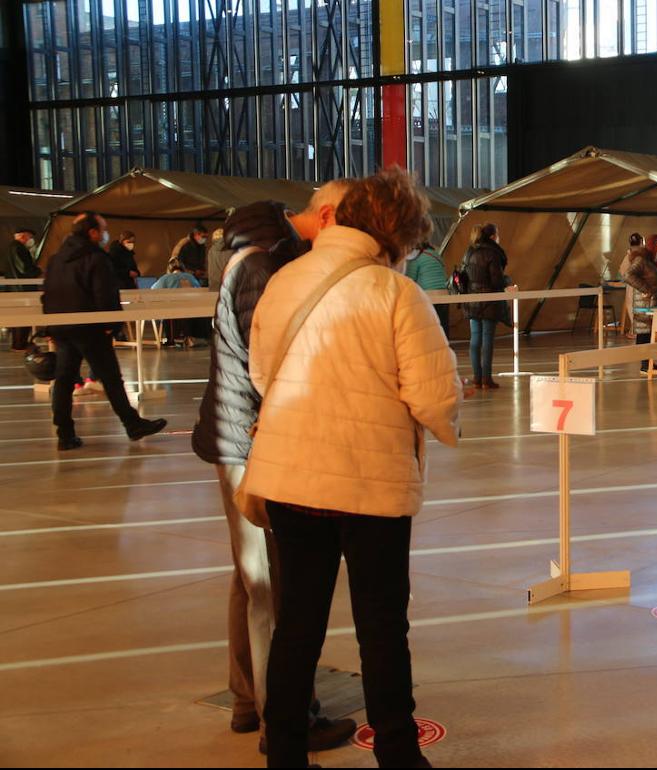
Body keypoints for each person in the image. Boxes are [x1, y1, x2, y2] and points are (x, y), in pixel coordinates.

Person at [248, 169, 462, 769]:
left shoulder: (285, 279)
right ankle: (398, 752)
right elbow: (433, 397)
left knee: (298, 623)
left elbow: (262, 373)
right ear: (399, 230)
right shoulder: (395, 293)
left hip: (291, 477)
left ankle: (285, 752)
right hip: (371, 485)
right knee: (381, 626)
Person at [191, 193, 355, 756]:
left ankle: (247, 699)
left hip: (232, 438)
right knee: (272, 585)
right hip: (251, 444)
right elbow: (272, 365)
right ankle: (282, 717)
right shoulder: (262, 268)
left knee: (250, 578)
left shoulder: (241, 259)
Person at [41, 212, 167, 451]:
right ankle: (133, 425)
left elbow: (48, 293)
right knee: (111, 379)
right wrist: (112, 325)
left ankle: (65, 434)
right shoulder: (95, 258)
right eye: (103, 229)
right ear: (92, 233)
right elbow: (105, 294)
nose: (105, 233)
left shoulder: (57, 259)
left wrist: (51, 328)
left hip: (62, 330)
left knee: (64, 381)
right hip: (90, 330)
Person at [462, 223, 510, 389]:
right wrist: (508, 281)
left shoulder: (469, 252)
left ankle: (477, 377)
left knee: (475, 338)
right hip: (490, 301)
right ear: (492, 236)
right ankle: (486, 378)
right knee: (487, 339)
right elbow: (496, 280)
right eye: (498, 234)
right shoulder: (493, 253)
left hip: (472, 301)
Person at [621, 233, 657, 372]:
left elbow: (656, 280)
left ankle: (651, 364)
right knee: (644, 335)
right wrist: (646, 289)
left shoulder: (655, 262)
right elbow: (628, 275)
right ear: (654, 246)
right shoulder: (641, 261)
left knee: (652, 335)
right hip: (645, 305)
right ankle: (645, 365)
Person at [5, 228, 42, 350]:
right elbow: (24, 269)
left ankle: (18, 343)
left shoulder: (11, 247)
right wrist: (38, 270)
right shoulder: (18, 248)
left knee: (18, 317)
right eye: (29, 237)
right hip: (22, 288)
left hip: (15, 288)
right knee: (24, 317)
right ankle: (20, 343)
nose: (30, 240)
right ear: (23, 236)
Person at [405, 240, 450, 337]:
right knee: (442, 325)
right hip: (444, 293)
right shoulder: (436, 255)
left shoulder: (417, 257)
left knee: (430, 327)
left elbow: (409, 279)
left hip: (429, 295)